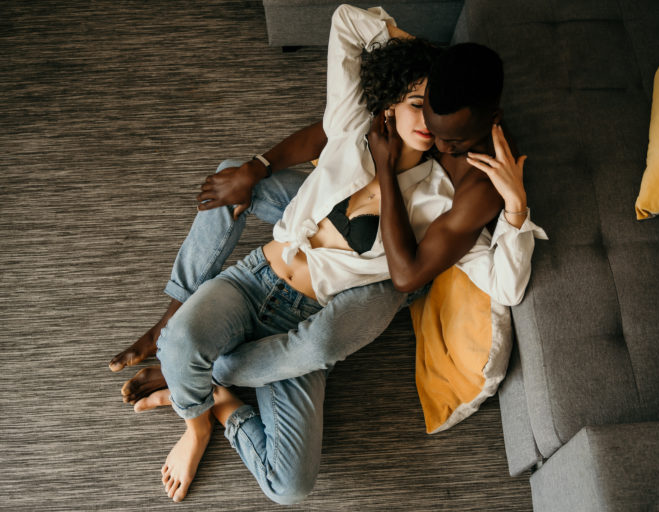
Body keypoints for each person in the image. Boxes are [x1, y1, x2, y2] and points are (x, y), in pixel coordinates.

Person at [112, 5, 545, 505]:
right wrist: (430, 60)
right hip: (260, 278)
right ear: (393, 102)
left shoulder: (443, 195)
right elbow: (347, 20)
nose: (435, 136)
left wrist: (515, 209)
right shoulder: (357, 125)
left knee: (290, 486)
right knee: (186, 330)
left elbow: (498, 282)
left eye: (448, 133)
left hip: (312, 315)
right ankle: (194, 417)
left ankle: (214, 392)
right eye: (418, 105)